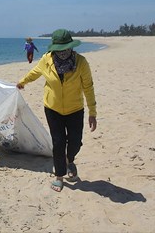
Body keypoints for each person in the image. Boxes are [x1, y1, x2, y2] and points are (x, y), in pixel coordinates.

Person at [16, 29, 97, 192]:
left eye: (65, 47)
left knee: (75, 142)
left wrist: (92, 112)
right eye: (59, 48)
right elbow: (35, 72)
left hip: (75, 108)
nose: (62, 52)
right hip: (52, 109)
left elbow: (88, 87)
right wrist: (22, 82)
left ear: (71, 46)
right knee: (58, 142)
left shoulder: (81, 62)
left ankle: (69, 159)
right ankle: (59, 176)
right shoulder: (47, 59)